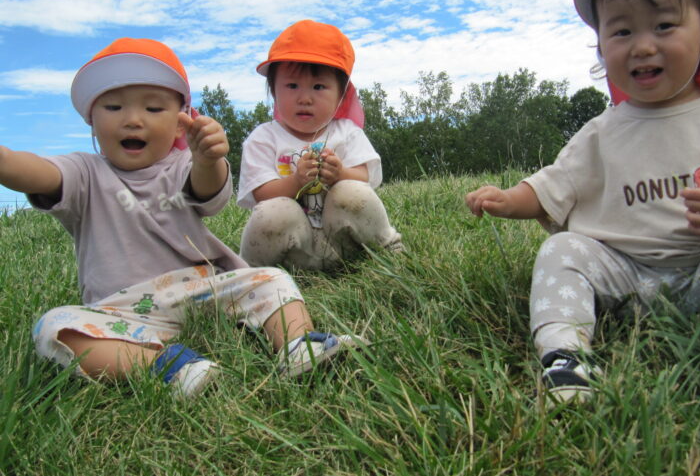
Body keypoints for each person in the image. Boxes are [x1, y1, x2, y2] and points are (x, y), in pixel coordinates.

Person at [465, 0, 700, 442]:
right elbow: (552, 188)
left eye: (664, 25)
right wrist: (506, 199)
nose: (643, 45)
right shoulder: (602, 131)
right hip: (628, 282)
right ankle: (564, 362)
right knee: (563, 247)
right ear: (601, 46)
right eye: (621, 30)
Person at [0, 37, 362, 399]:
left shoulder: (181, 166)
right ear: (91, 122)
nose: (133, 120)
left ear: (179, 125)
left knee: (270, 279)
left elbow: (205, 190)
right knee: (53, 327)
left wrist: (207, 158)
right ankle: (167, 368)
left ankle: (299, 344)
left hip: (201, 289)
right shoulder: (82, 172)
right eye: (112, 107)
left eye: (154, 108)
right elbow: (31, 171)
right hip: (119, 311)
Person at [237, 20, 402, 271]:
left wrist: (340, 175)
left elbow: (366, 177)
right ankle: (252, 272)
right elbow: (261, 193)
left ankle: (390, 250)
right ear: (273, 90)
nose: (304, 98)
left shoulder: (346, 132)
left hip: (345, 244)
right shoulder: (263, 138)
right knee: (272, 211)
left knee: (352, 190)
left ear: (340, 94)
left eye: (319, 87)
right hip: (293, 252)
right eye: (292, 86)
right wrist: (296, 182)